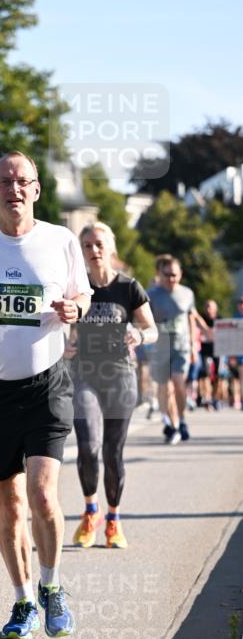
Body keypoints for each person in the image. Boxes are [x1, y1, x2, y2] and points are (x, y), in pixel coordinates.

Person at [0, 150, 91, 639]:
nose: (14, 189)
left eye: (23, 180)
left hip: (47, 383)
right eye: (4, 181)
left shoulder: (60, 240)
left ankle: (53, 587)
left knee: (43, 495)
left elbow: (82, 294)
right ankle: (24, 600)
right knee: (9, 504)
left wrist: (74, 309)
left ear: (36, 189)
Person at [69, 223, 158, 550]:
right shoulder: (77, 288)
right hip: (85, 375)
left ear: (111, 247)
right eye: (87, 245)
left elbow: (152, 329)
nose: (94, 250)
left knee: (112, 452)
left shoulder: (129, 287)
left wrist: (140, 335)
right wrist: (65, 344)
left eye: (99, 244)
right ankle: (91, 510)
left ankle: (114, 519)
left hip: (120, 376)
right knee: (88, 447)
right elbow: (64, 327)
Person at [147, 256, 209, 445]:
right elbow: (144, 319)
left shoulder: (187, 293)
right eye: (167, 275)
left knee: (178, 383)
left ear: (180, 274)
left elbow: (191, 317)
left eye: (174, 275)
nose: (171, 279)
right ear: (160, 274)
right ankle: (172, 423)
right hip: (161, 347)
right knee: (165, 388)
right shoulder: (151, 294)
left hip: (181, 346)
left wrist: (194, 344)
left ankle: (181, 420)